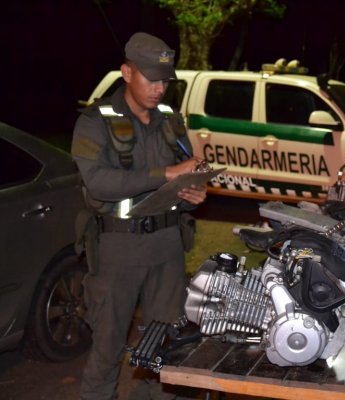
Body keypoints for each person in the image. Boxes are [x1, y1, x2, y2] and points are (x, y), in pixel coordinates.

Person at [71, 32, 207, 400]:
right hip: (118, 250)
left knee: (164, 349)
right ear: (126, 72)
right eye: (151, 77)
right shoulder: (95, 121)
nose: (159, 87)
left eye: (165, 79)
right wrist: (166, 174)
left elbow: (186, 176)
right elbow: (97, 183)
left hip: (167, 248)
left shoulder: (170, 121)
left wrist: (194, 193)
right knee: (108, 347)